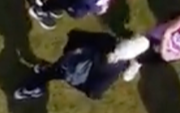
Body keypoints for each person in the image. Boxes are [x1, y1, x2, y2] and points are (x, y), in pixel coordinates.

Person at [14, 29, 150, 102]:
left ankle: (31, 86)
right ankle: (28, 89)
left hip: (71, 60)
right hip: (76, 76)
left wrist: (70, 50)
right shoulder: (116, 68)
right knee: (53, 73)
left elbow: (77, 36)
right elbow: (95, 91)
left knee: (53, 71)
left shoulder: (106, 40)